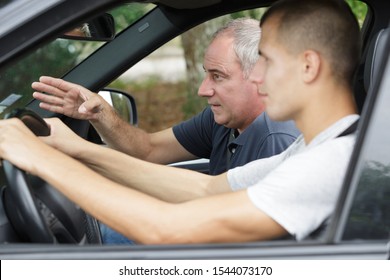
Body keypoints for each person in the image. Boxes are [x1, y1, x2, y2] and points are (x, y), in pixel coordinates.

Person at [0, 0, 361, 244]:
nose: (257, 78)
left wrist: (41, 159)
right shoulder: (317, 149)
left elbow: (166, 229)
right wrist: (74, 147)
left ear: (309, 66)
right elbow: (205, 190)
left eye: (266, 60)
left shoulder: (330, 166)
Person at [31, 18, 299, 175]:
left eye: (218, 76)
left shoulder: (276, 140)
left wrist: (74, 151)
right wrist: (100, 112)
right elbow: (148, 151)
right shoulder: (224, 120)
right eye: (206, 74)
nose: (203, 90)